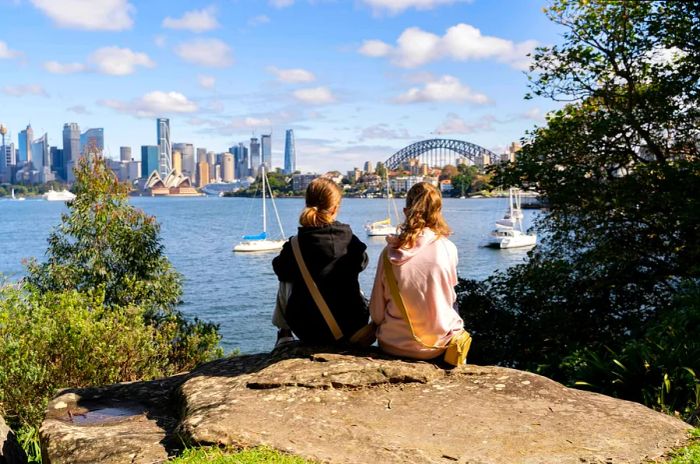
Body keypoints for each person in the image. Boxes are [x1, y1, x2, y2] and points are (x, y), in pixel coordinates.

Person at [369, 182, 465, 360]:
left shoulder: (389, 254)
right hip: (437, 347)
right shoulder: (448, 248)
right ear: (438, 213)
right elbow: (448, 300)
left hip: (392, 345)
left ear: (406, 212)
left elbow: (376, 314)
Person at [272, 177, 370, 346]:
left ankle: (285, 333)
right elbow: (363, 261)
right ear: (335, 208)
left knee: (286, 279)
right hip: (353, 326)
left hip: (309, 330)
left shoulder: (295, 245)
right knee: (351, 278)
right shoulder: (349, 240)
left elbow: (278, 268)